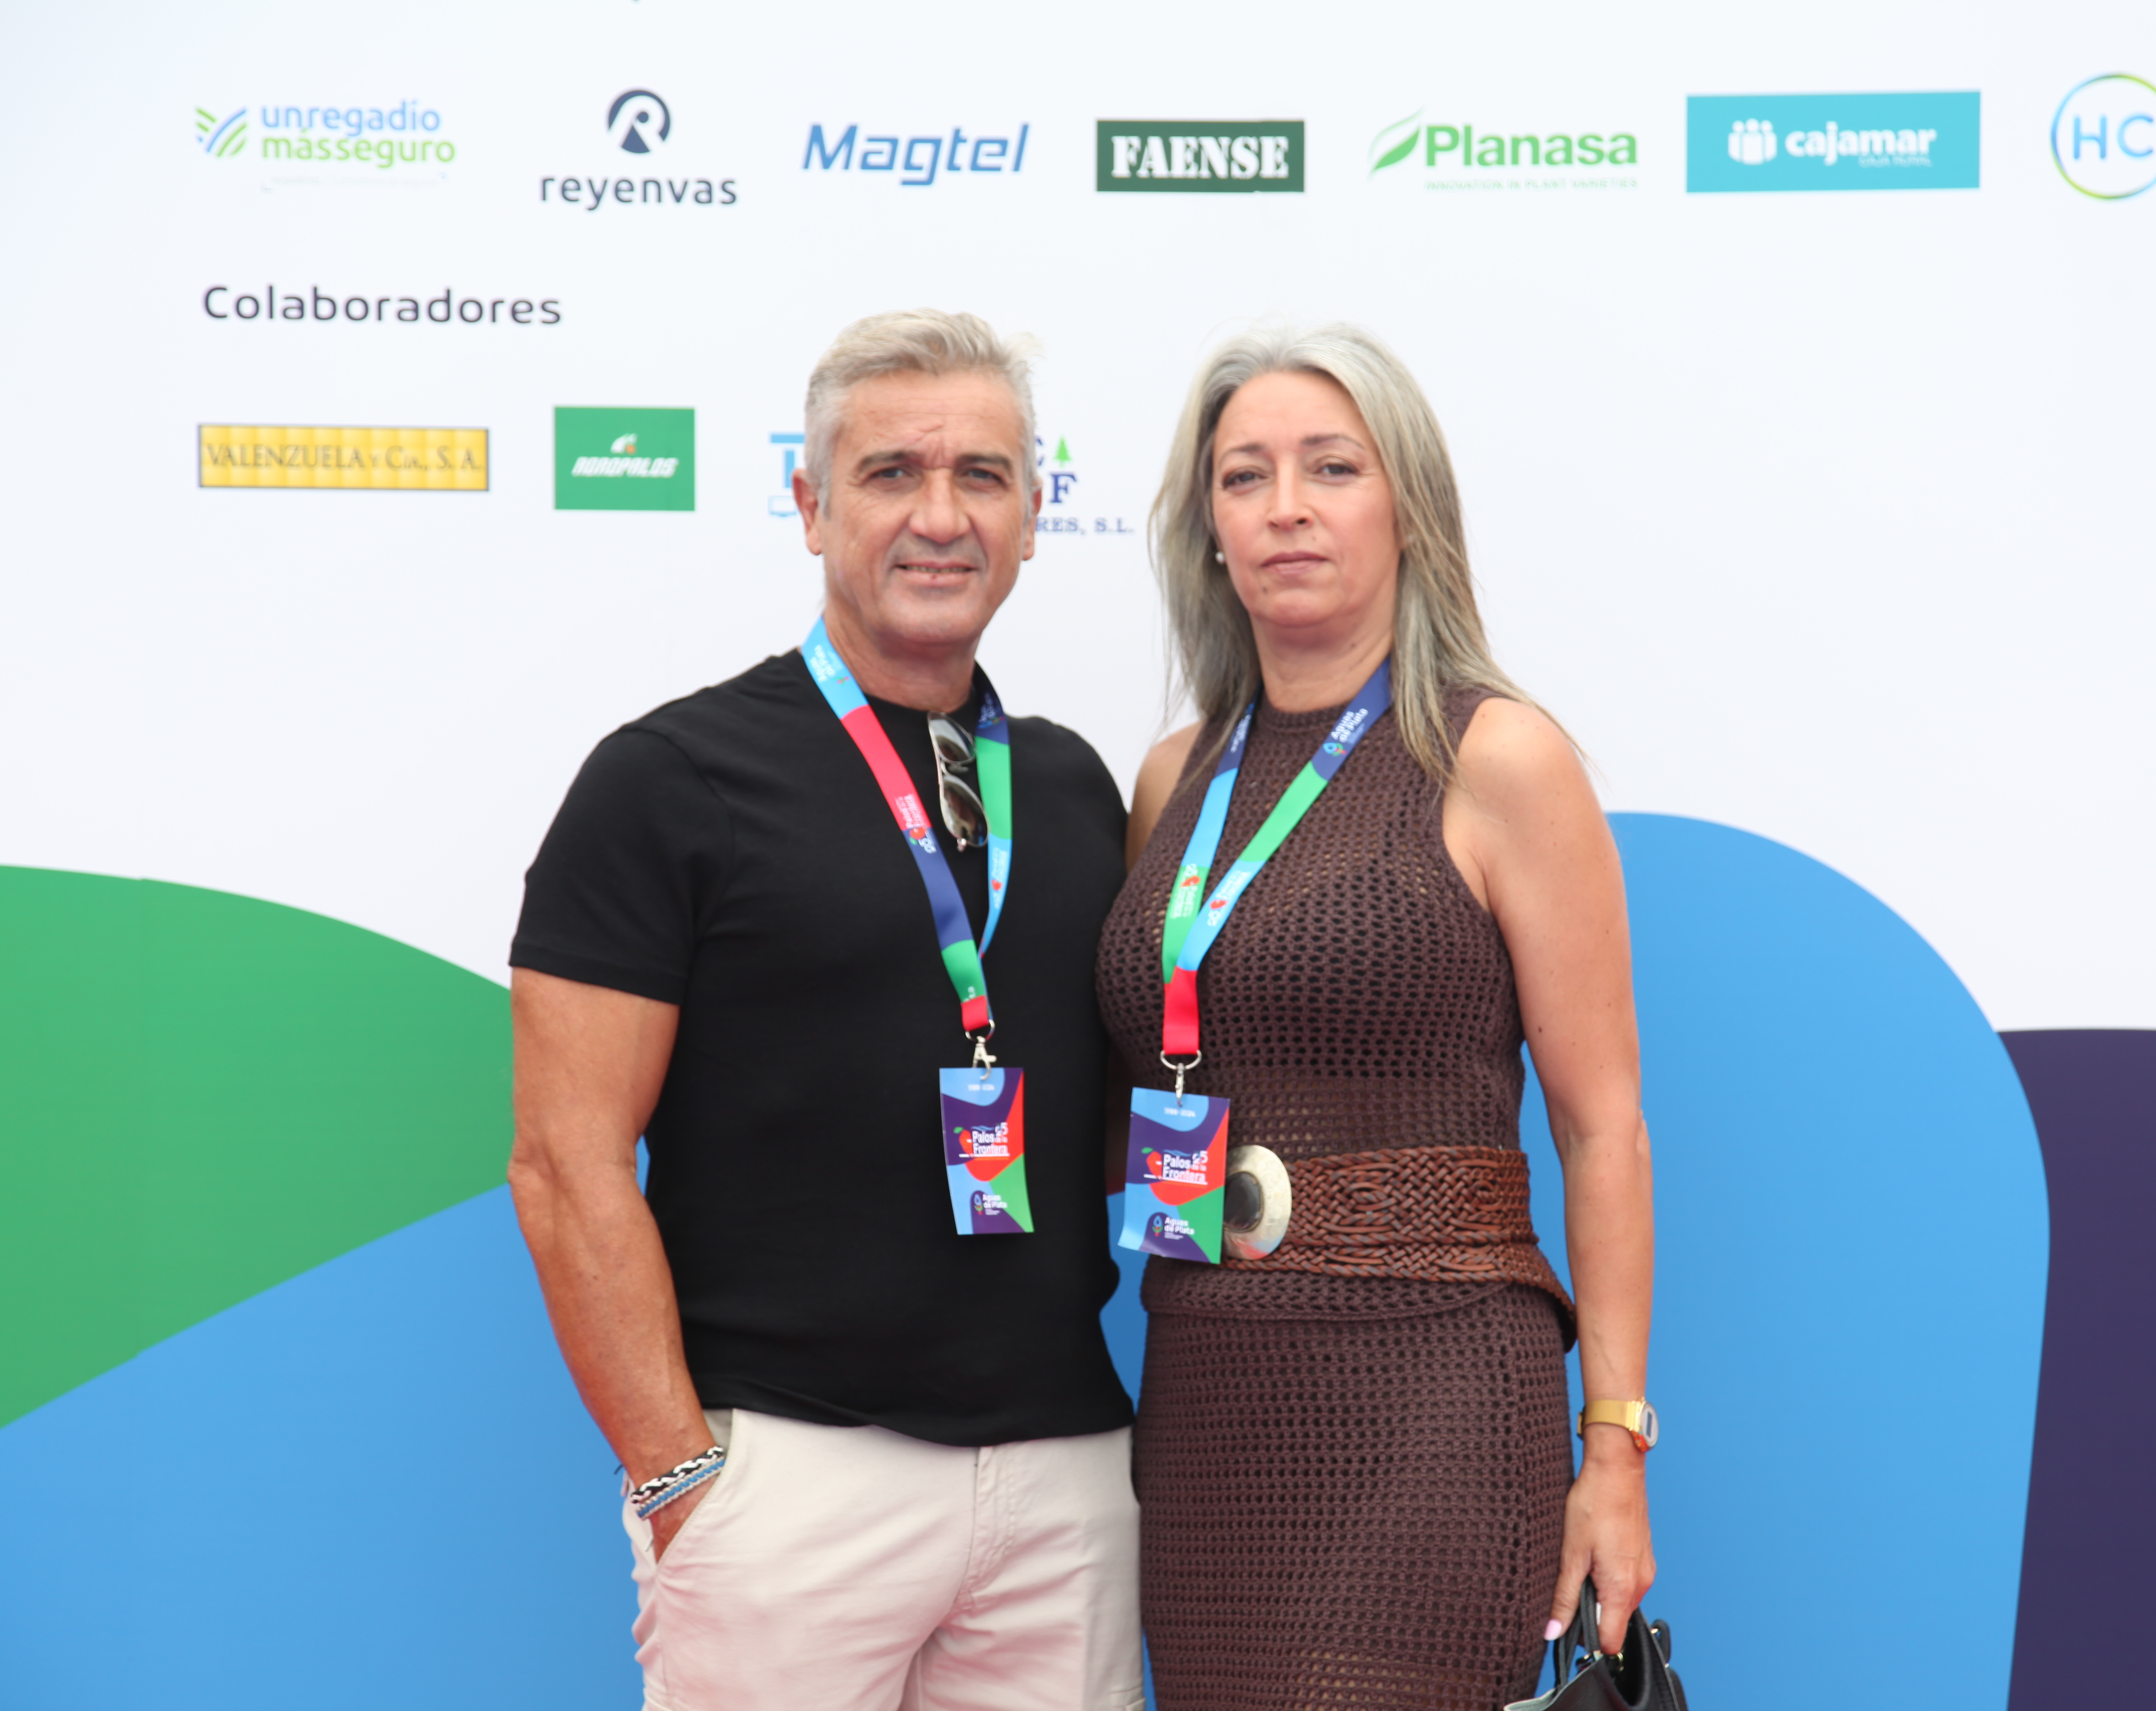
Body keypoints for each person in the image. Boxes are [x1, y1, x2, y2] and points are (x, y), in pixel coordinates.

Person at [509, 309, 1143, 1711]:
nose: (941, 516)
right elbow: (562, 1165)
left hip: (1066, 1485)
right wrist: (681, 1480)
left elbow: (1099, 1127)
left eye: (982, 476)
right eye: (891, 473)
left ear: (1034, 517)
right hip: (792, 1488)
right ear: (809, 505)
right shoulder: (668, 779)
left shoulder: (1074, 787)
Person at [1095, 324, 1658, 1710]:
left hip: (1433, 1394)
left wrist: (1614, 1449)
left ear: (1410, 509)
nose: (1285, 506)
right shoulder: (1173, 780)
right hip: (1210, 1393)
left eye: (1332, 468)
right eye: (1245, 476)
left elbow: (1603, 1130)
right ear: (1208, 528)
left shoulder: (1496, 755)